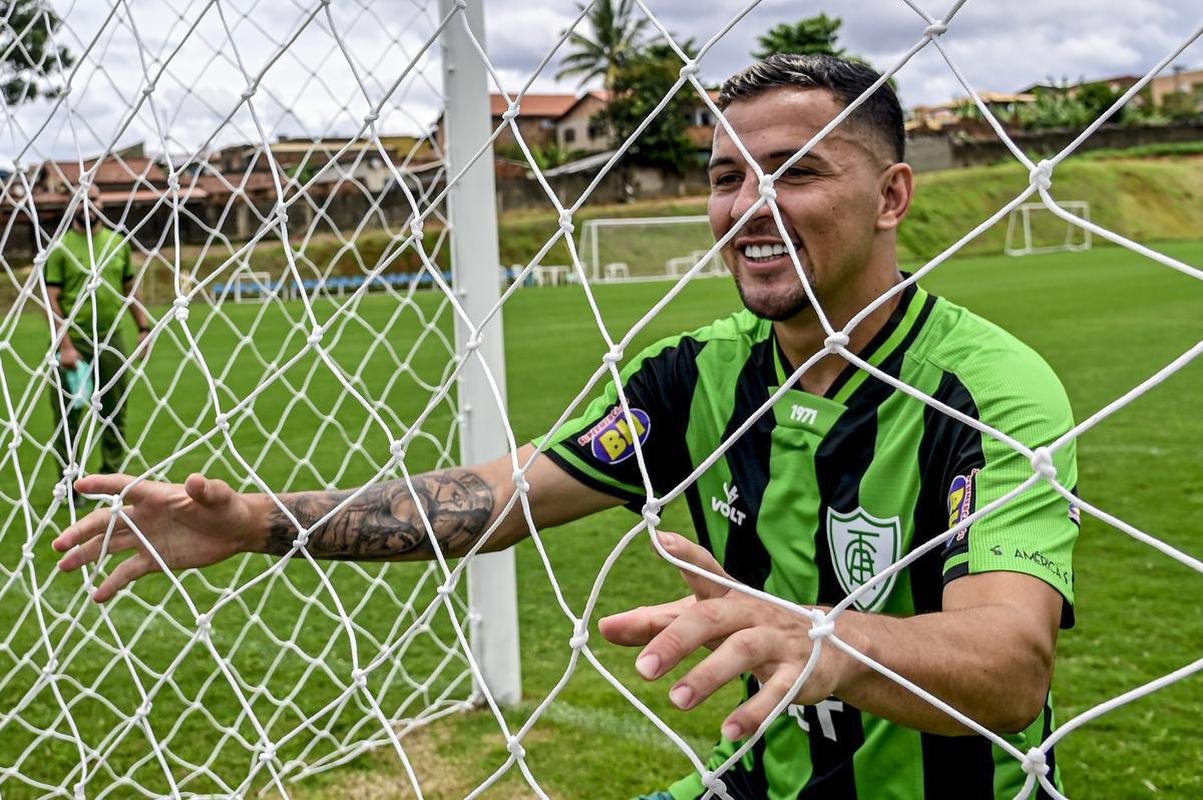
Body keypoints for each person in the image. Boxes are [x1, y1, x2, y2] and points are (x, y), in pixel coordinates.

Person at [52, 54, 1079, 799]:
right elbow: (499, 497)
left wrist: (829, 640)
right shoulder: (700, 375)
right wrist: (262, 522)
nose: (751, 204)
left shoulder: (988, 388)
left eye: (798, 169)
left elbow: (1010, 660)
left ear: (893, 193)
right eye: (727, 176)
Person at [44, 197, 151, 478]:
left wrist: (143, 327)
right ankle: (70, 481)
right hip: (72, 341)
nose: (87, 204)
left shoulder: (118, 242)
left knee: (116, 412)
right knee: (69, 418)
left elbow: (130, 289)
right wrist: (64, 346)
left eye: (93, 197)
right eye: (80, 199)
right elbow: (50, 300)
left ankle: (111, 476)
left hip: (110, 339)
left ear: (102, 203)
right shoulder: (60, 249)